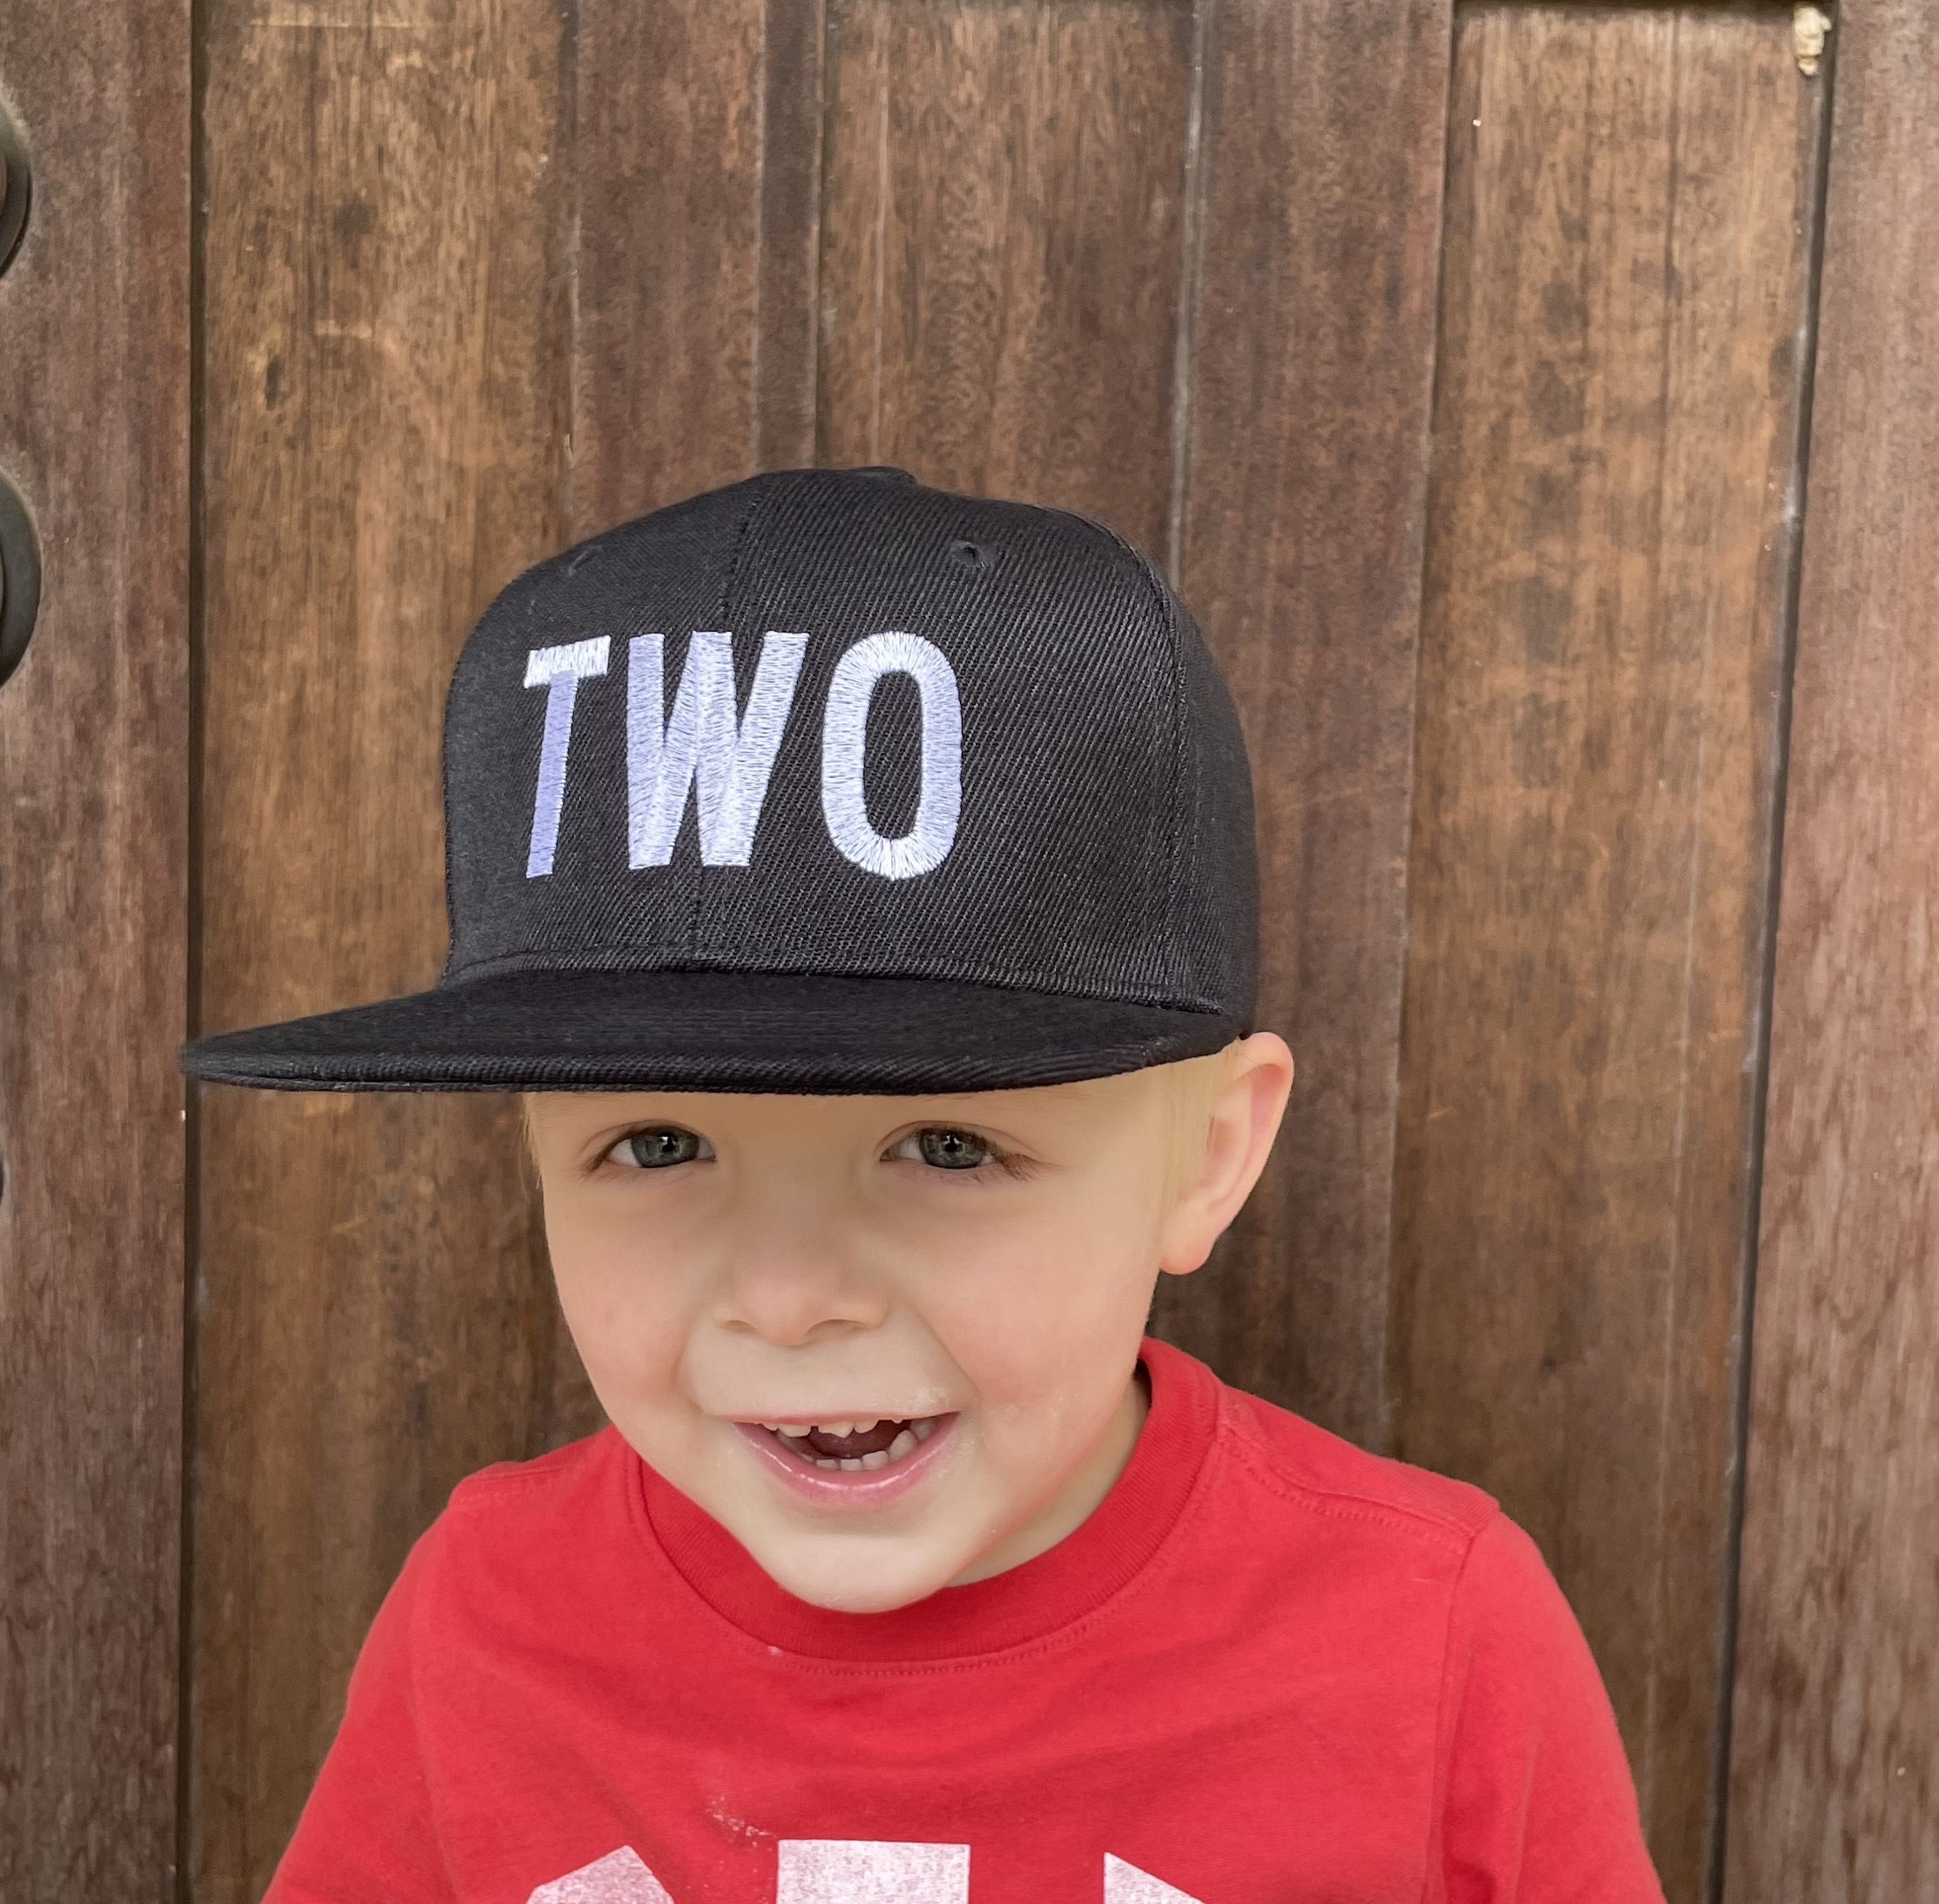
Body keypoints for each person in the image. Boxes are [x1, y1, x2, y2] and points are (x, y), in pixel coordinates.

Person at [184, 467, 1666, 1904]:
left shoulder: (1435, 1636)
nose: (790, 1300)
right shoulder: (486, 1610)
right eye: (657, 1146)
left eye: (948, 1148)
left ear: (1208, 1156)